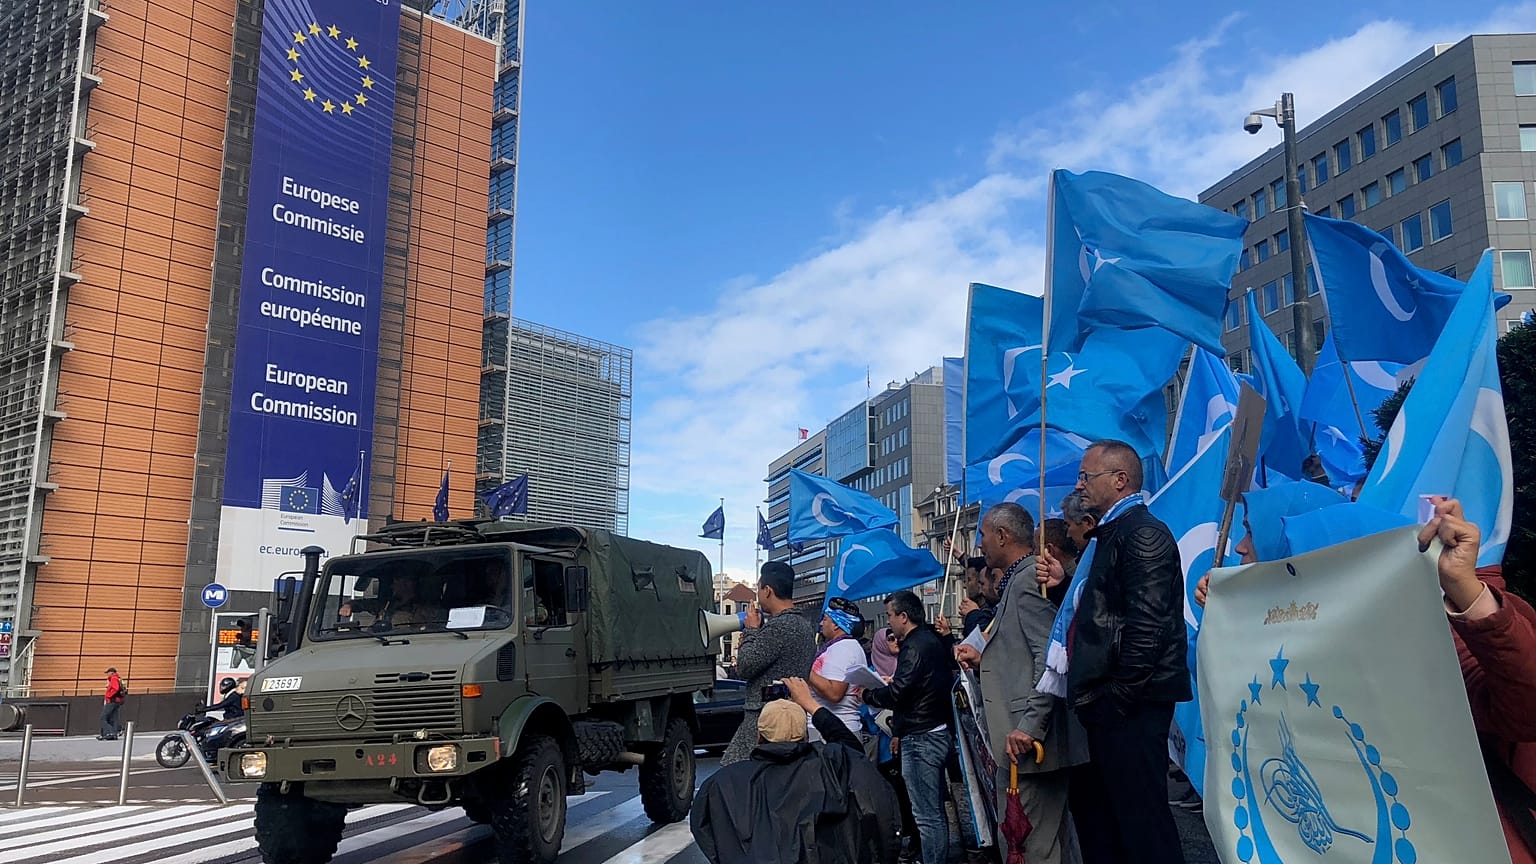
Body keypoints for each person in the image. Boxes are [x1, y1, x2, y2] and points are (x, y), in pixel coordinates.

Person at [1040, 439, 1189, 864]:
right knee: (1103, 823)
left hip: (1131, 708)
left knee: (1142, 826)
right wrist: (1065, 589)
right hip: (1109, 705)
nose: (1079, 485)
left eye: (1087, 476)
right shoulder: (1111, 534)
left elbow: (1149, 626)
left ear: (1120, 481)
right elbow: (1103, 614)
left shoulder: (1141, 533)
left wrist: (1115, 700)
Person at [955, 503, 1086, 863]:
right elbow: (1025, 652)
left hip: (1028, 746)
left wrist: (1029, 726)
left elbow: (1050, 658)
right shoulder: (1018, 579)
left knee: (1029, 848)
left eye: (982, 534)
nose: (980, 544)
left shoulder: (1029, 579)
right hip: (1024, 746)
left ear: (1002, 535)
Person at [692, 677, 901, 864]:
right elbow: (850, 747)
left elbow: (708, 833)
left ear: (759, 737)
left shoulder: (724, 784)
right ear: (805, 736)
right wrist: (811, 705)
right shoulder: (834, 766)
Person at [862, 590, 956, 864]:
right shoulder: (929, 641)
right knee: (933, 812)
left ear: (904, 616)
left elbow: (900, 693)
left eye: (890, 616)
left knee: (927, 815)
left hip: (922, 736)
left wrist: (869, 695)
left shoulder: (914, 646)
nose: (888, 623)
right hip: (931, 730)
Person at [721, 561, 817, 766]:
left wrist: (751, 632)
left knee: (736, 774)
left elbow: (745, 666)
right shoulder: (805, 626)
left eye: (759, 589)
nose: (758, 595)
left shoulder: (778, 627)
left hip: (766, 720)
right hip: (794, 718)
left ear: (768, 591)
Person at [809, 596, 871, 740]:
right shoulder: (843, 647)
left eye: (825, 619)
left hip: (832, 731)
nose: (821, 623)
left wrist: (805, 669)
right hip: (832, 728)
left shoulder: (843, 649)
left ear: (836, 624)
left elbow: (834, 693)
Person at [957, 557, 997, 637]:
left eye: (968, 580)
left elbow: (982, 640)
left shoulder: (992, 611)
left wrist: (973, 615)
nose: (965, 586)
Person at [99, 668, 125, 740]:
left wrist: (109, 695)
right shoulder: (119, 678)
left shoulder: (113, 679)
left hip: (112, 700)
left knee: (103, 718)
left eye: (108, 672)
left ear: (112, 672)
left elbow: (115, 689)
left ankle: (110, 733)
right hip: (118, 701)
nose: (107, 674)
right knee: (114, 719)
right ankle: (115, 734)